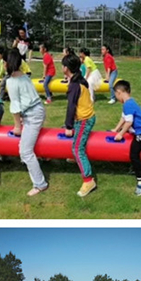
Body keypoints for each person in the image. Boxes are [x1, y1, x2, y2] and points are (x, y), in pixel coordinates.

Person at [5, 49, 48, 196]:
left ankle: (40, 184)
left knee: (25, 151)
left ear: (6, 63)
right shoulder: (24, 76)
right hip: (37, 110)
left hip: (33, 115)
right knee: (25, 148)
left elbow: (15, 106)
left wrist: (18, 126)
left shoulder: (11, 81)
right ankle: (40, 159)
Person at [62, 52, 97, 198]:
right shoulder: (79, 79)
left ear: (66, 68)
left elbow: (71, 106)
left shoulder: (75, 84)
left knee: (77, 148)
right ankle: (74, 158)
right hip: (83, 117)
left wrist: (69, 127)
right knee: (75, 144)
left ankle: (88, 180)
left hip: (84, 119)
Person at [112, 80, 141, 196]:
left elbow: (129, 122)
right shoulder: (128, 103)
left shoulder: (128, 104)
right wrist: (116, 129)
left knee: (134, 154)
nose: (116, 97)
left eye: (115, 95)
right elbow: (124, 118)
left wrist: (121, 134)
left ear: (119, 92)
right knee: (133, 152)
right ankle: (135, 169)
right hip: (139, 131)